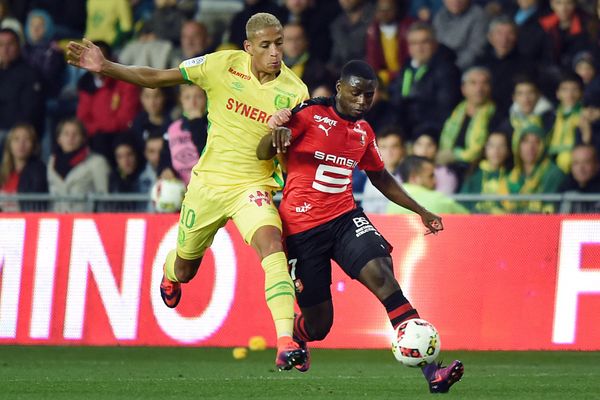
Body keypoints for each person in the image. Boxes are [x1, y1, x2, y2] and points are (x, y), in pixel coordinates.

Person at [67, 12, 310, 370]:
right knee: (186, 268)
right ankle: (170, 273)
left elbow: (294, 152)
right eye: (266, 45)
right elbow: (157, 79)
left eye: (279, 44)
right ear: (248, 47)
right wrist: (106, 66)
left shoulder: (295, 91)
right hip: (207, 186)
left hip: (253, 187)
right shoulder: (220, 64)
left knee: (272, 244)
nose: (275, 52)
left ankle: (286, 341)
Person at [258, 60, 463, 392]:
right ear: (340, 88)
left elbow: (380, 176)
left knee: (383, 276)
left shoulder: (364, 132)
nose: (362, 101)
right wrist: (274, 135)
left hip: (344, 219)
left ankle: (432, 373)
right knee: (320, 324)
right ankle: (298, 335)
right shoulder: (308, 115)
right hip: (302, 229)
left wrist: (420, 210)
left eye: (369, 95)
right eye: (356, 93)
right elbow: (262, 152)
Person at [47, 117, 110, 213]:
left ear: (83, 138)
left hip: (85, 223)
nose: (70, 138)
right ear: (59, 139)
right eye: (66, 134)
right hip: (58, 222)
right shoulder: (51, 162)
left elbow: (105, 198)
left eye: (75, 134)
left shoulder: (97, 162)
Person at [387, 155, 470, 214]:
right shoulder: (440, 200)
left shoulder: (392, 204)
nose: (435, 181)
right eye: (431, 176)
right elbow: (469, 219)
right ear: (414, 178)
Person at [460, 130, 513, 213]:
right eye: (492, 146)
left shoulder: (512, 176)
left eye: (501, 146)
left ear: (508, 150)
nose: (496, 151)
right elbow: (462, 206)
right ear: (485, 149)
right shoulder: (474, 176)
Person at [0, 123, 47, 212]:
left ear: (33, 145)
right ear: (9, 144)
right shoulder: (3, 171)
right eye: (16, 139)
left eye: (27, 139)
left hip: (24, 221)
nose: (21, 144)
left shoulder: (39, 171)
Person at [559, 144, 600, 212]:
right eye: (576, 163)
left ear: (597, 165)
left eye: (586, 162)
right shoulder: (563, 190)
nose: (581, 168)